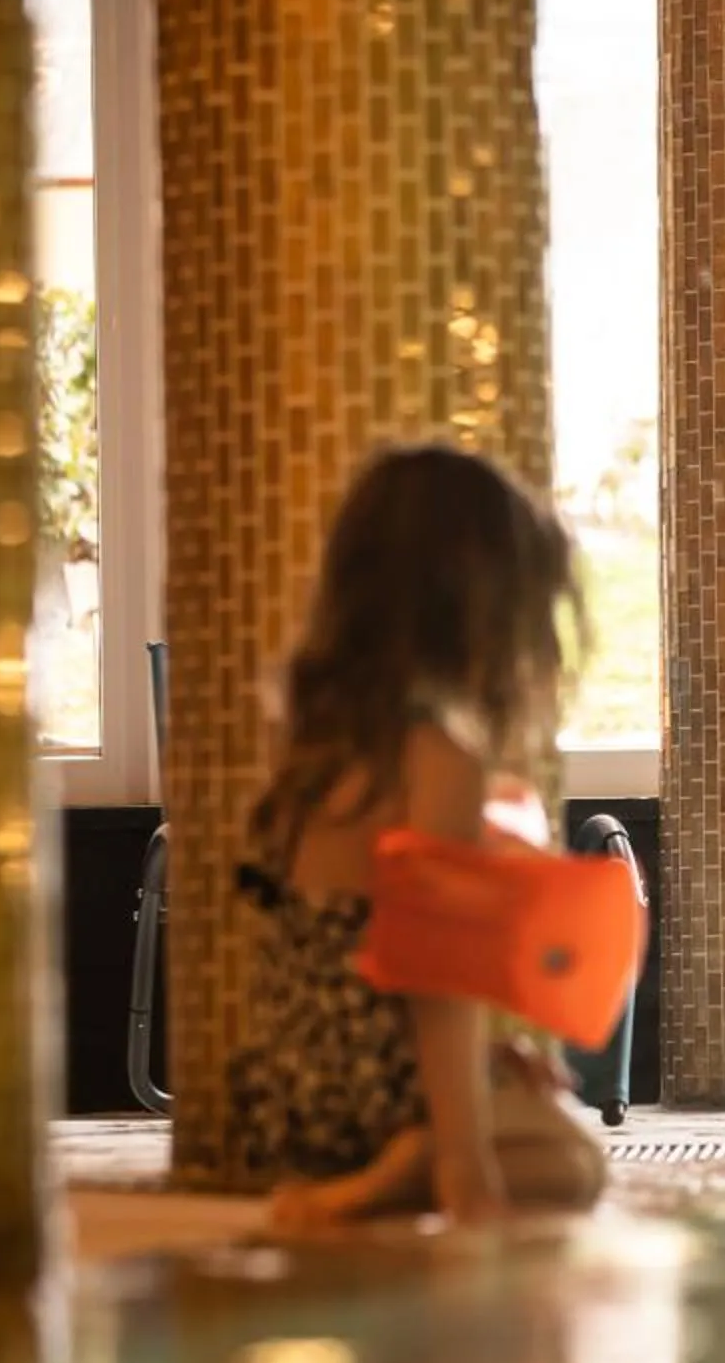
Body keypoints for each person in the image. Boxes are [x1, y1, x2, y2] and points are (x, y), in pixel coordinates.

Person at [228, 442, 611, 1230]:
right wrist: (466, 1166)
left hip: (293, 1090)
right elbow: (436, 972)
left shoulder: (307, 735)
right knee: (574, 1165)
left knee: (538, 1126)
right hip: (378, 1092)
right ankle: (403, 1174)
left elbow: (324, 947)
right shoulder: (440, 752)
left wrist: (486, 1068)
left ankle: (397, 1161)